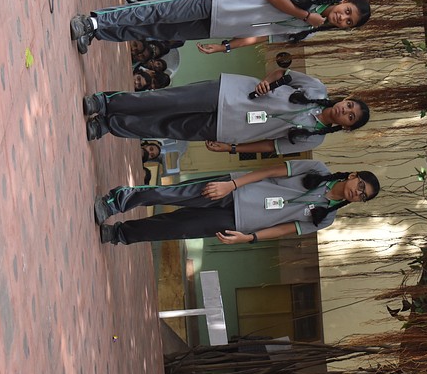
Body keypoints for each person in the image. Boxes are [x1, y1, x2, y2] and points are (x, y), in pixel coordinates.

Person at [82, 68, 370, 155]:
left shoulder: (314, 138)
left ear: (346, 126)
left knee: (165, 128)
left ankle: (109, 125)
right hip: (228, 93)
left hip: (229, 129)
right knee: (165, 101)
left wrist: (232, 148)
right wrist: (265, 82)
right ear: (346, 99)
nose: (345, 110)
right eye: (349, 105)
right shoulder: (316, 88)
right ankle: (106, 103)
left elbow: (270, 146)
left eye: (350, 116)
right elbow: (282, 73)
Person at [94, 160, 380, 244]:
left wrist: (249, 237)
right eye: (360, 186)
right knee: (171, 195)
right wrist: (231, 184)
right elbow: (269, 171)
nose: (358, 193)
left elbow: (284, 229)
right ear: (353, 175)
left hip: (237, 221)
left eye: (363, 195)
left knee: (175, 228)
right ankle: (118, 201)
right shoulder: (317, 169)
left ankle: (120, 234)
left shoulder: (326, 217)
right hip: (233, 190)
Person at [69, 0, 371, 54]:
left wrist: (225, 46)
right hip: (223, 1)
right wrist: (305, 15)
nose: (342, 18)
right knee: (158, 11)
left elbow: (263, 36)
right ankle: (93, 20)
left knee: (157, 31)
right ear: (343, 1)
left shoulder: (310, 29)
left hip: (218, 26)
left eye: (349, 22)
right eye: (347, 11)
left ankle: (99, 32)